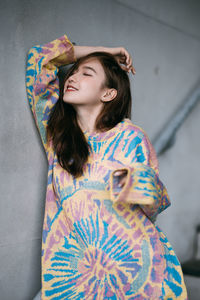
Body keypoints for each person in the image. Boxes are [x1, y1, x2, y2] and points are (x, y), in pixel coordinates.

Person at [26, 34, 187, 300]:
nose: (73, 78)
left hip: (132, 273)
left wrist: (138, 184)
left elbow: (153, 206)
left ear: (108, 93)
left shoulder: (130, 136)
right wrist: (105, 51)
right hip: (75, 278)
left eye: (86, 73)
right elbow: (39, 59)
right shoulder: (58, 137)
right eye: (73, 73)